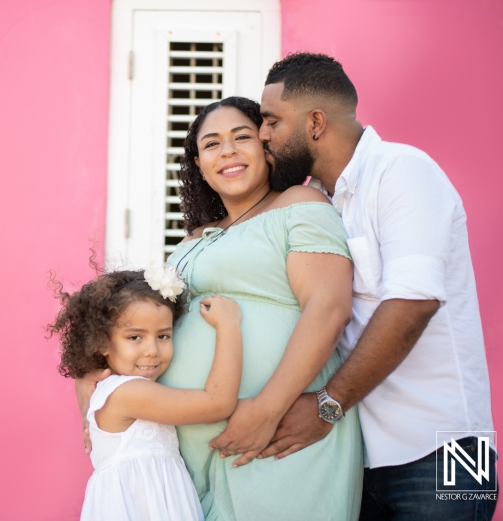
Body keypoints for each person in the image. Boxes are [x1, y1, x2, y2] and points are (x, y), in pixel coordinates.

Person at [77, 97, 364, 520]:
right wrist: (90, 400)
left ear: (267, 148)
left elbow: (328, 307)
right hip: (188, 464)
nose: (227, 150)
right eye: (212, 144)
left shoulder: (298, 204)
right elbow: (115, 317)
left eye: (241, 137)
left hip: (279, 433)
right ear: (199, 163)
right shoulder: (192, 241)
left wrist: (267, 410)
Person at [247, 52, 497, 520]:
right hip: (359, 457)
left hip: (452, 448)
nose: (262, 136)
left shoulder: (403, 170)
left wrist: (326, 406)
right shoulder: (316, 202)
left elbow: (413, 303)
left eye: (271, 121)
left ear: (316, 122)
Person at [49, 267, 244, 521]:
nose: (152, 350)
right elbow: (217, 404)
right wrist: (229, 326)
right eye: (135, 337)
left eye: (163, 335)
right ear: (102, 343)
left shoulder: (121, 387)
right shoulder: (128, 392)